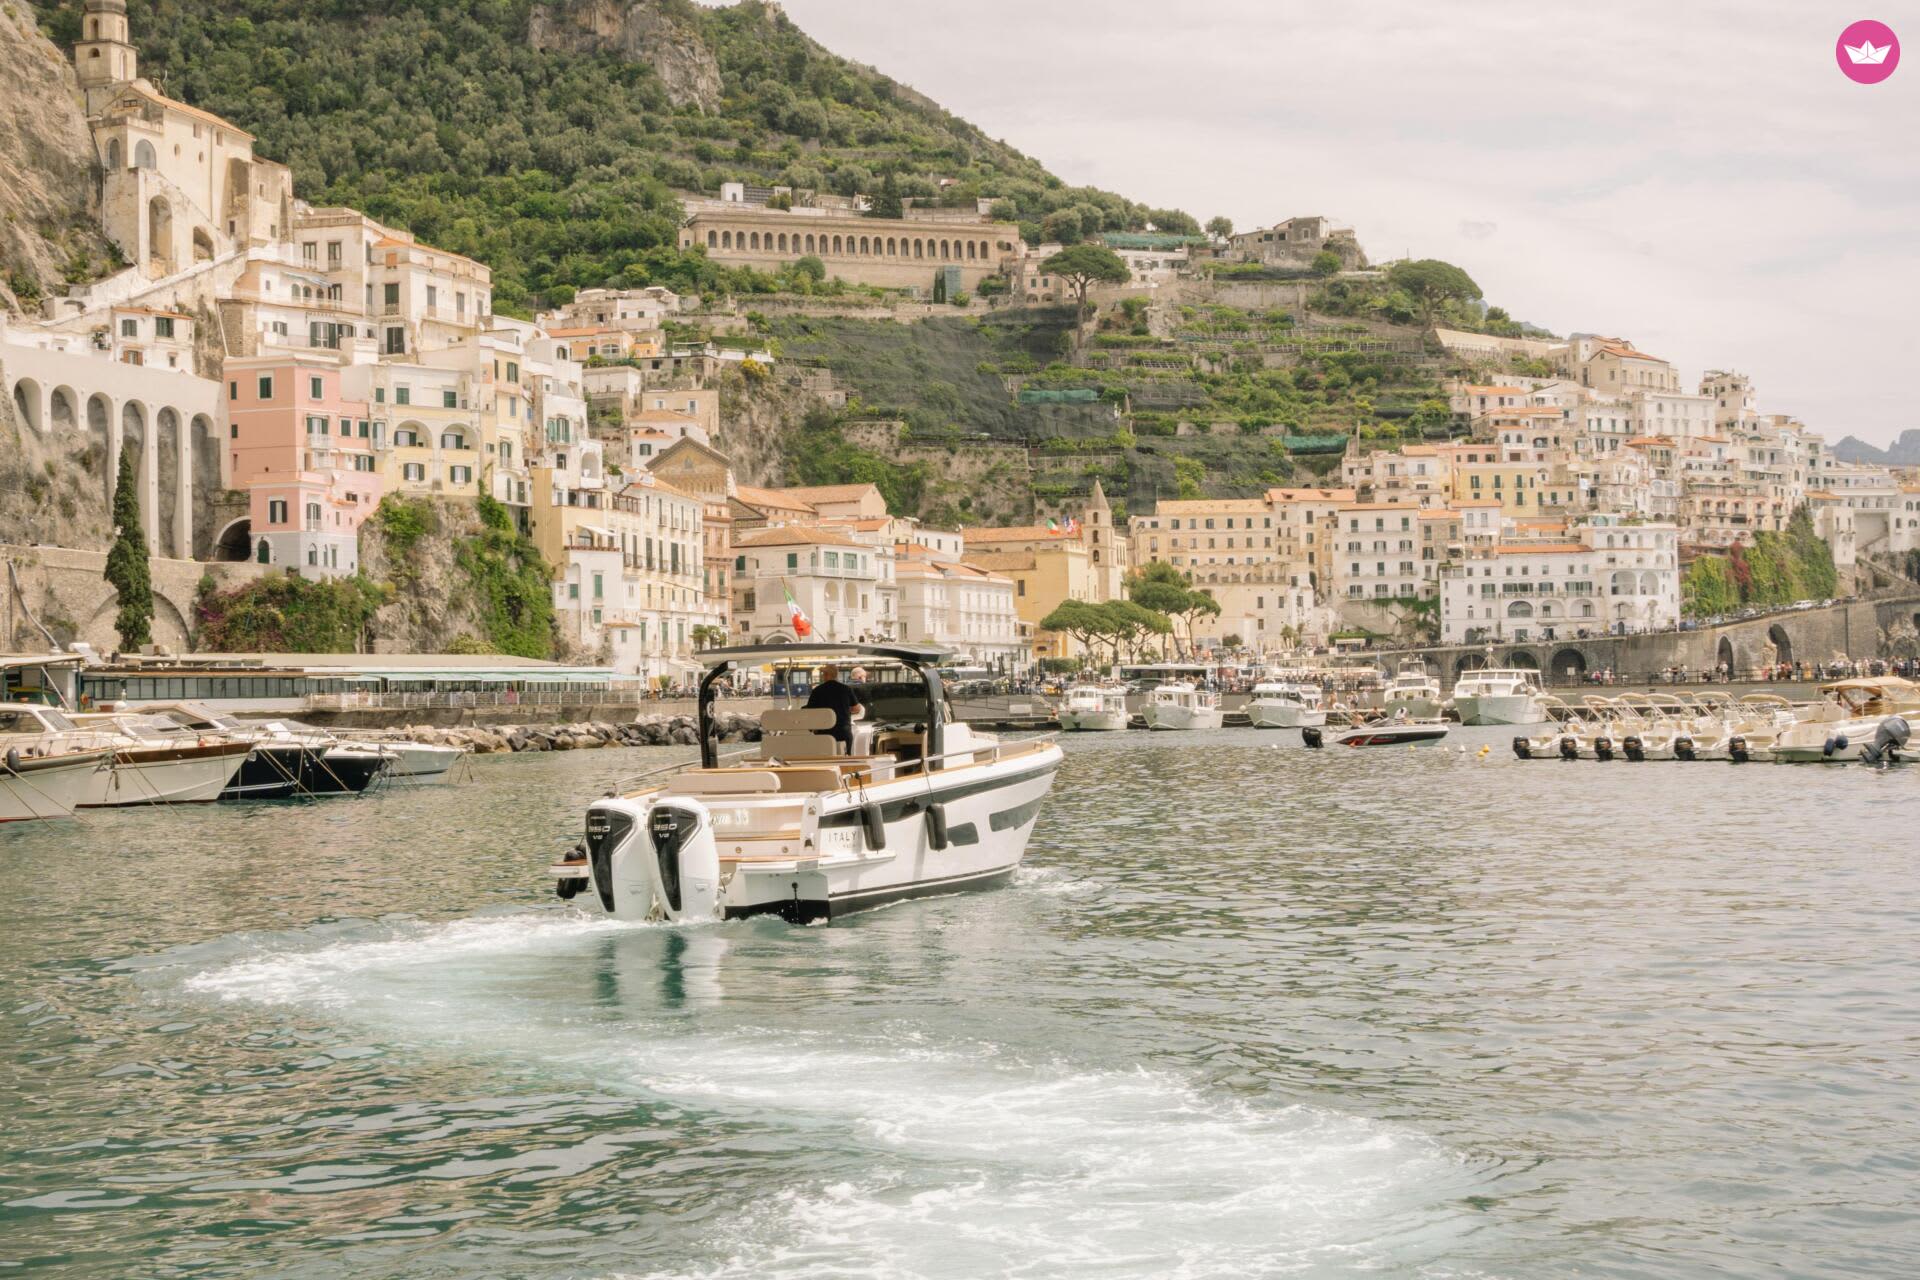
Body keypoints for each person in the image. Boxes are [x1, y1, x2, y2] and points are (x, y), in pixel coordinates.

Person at [805, 663, 864, 755]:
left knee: (826, 760)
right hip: (843, 731)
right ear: (836, 675)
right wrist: (845, 710)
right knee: (845, 760)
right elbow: (857, 709)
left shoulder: (817, 691)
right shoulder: (846, 689)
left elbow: (810, 712)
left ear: (826, 675)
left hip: (824, 733)